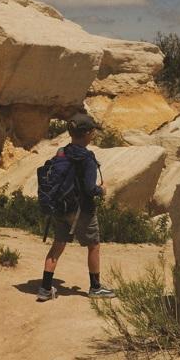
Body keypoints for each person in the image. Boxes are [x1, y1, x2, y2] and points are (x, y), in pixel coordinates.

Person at [37, 114, 116, 302]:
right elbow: (89, 189)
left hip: (60, 208)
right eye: (93, 131)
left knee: (58, 246)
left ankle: (45, 288)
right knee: (94, 245)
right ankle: (95, 287)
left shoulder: (62, 152)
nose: (94, 134)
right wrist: (101, 190)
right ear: (88, 133)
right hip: (81, 210)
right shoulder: (87, 158)